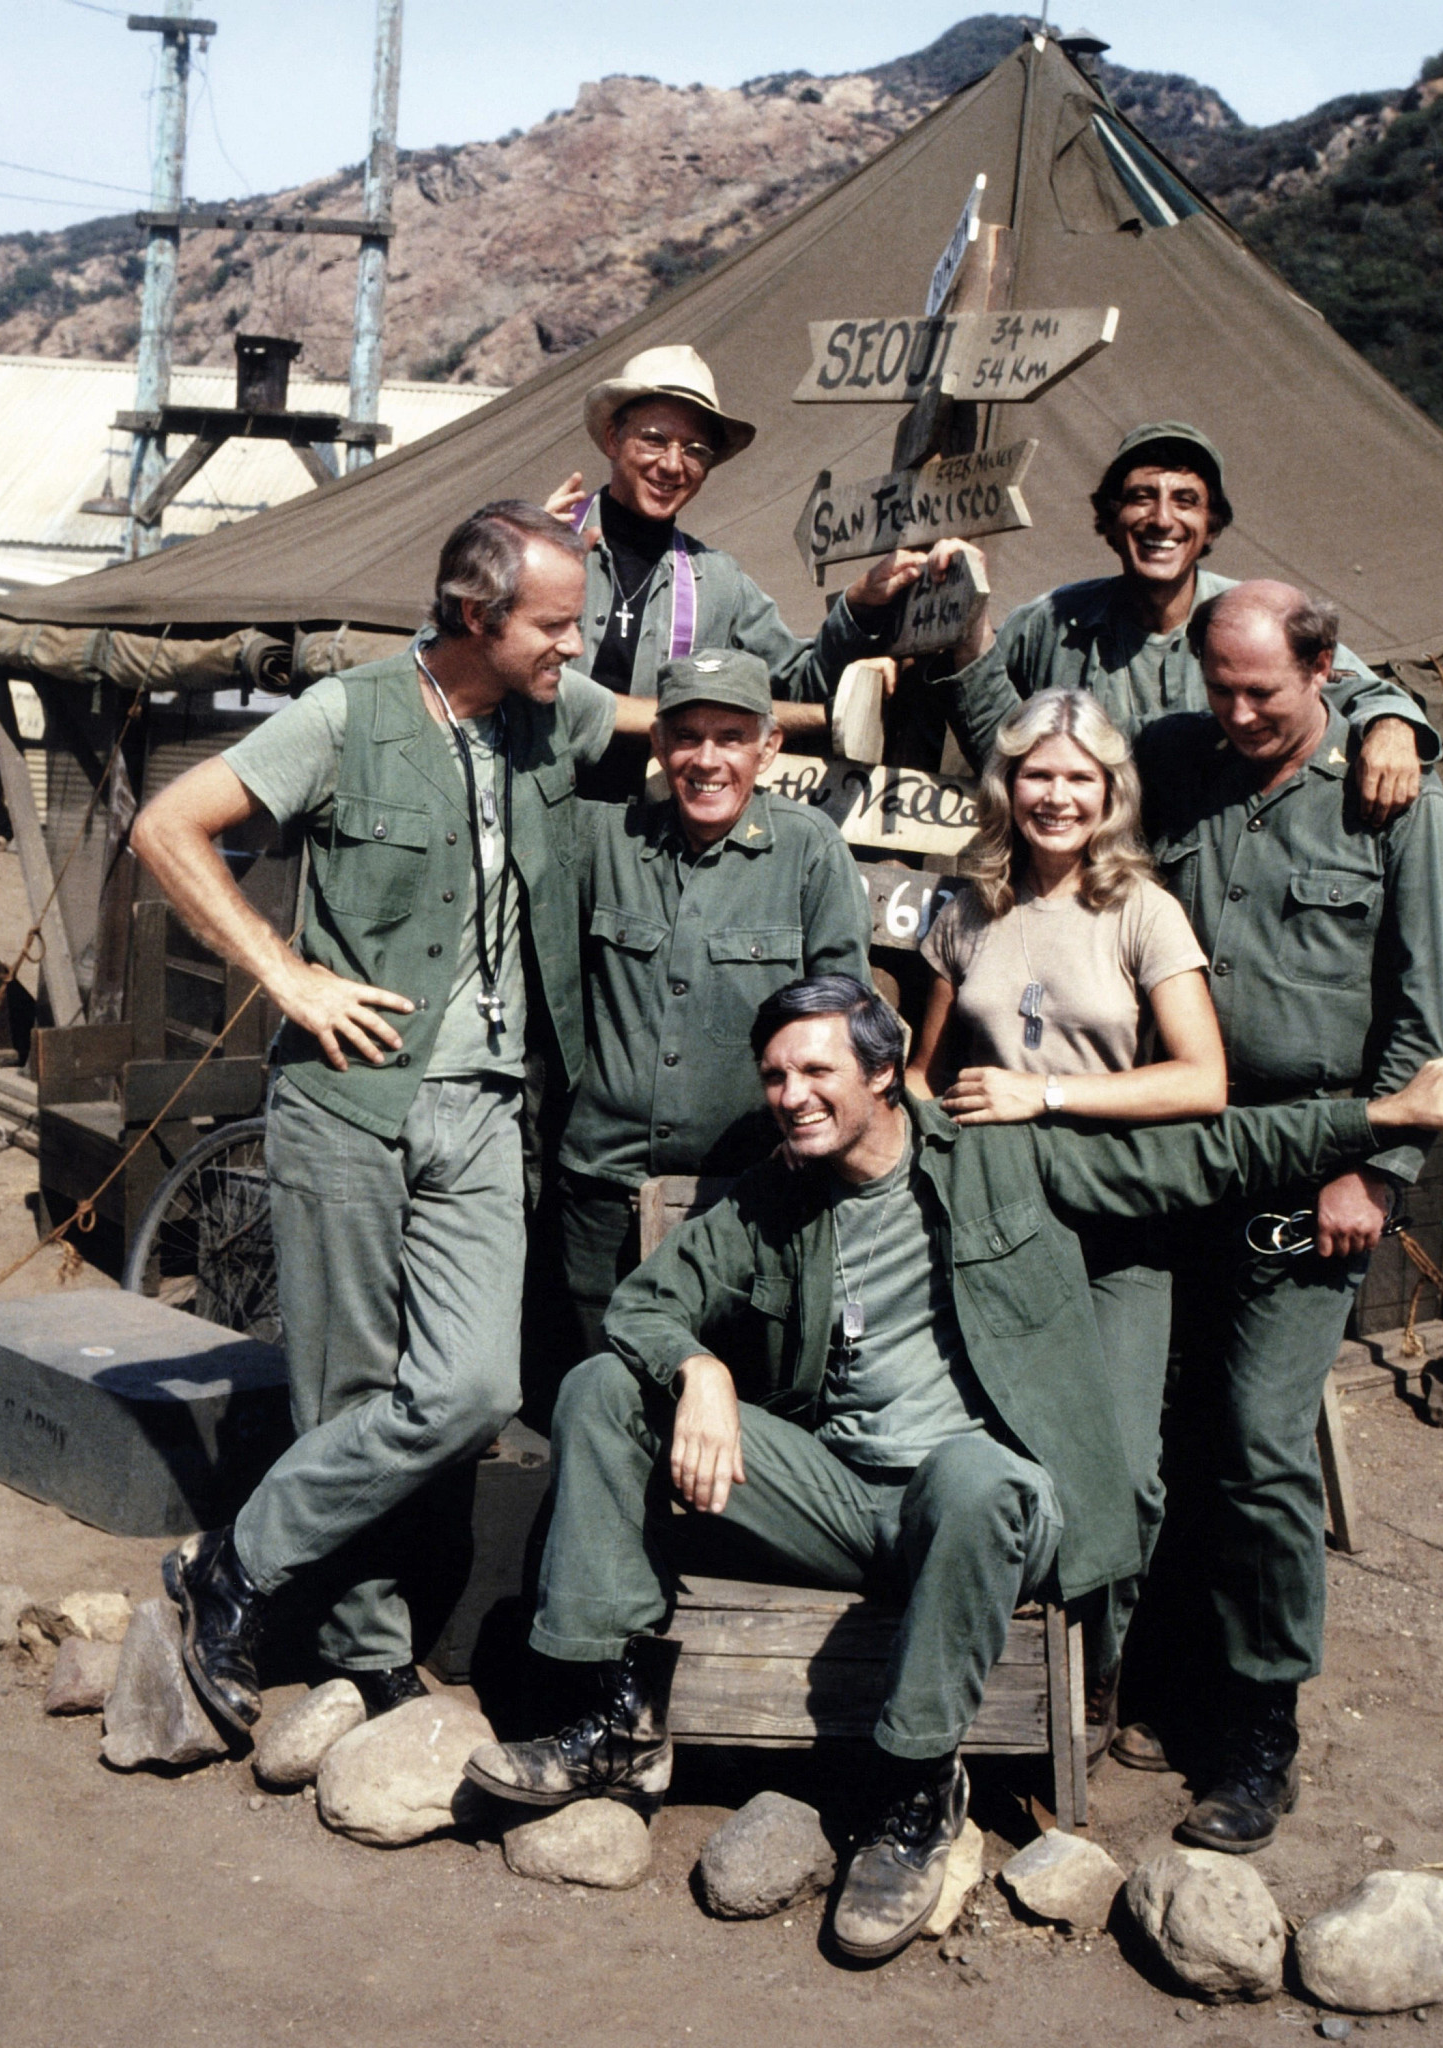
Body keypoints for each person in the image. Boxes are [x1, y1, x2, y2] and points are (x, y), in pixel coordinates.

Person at [463, 975, 1443, 1961]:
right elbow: (645, 1303)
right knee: (605, 1385)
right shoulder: (772, 1202)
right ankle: (612, 1713)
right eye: (775, 1075)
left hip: (989, 1505)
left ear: (884, 1071)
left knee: (971, 1474)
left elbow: (1212, 1149)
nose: (791, 1096)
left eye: (816, 1071)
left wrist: (1381, 1117)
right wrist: (699, 1368)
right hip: (836, 1492)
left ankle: (911, 1794)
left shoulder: (1006, 1159)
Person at [131, 501, 658, 1735]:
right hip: (346, 1103)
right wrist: (287, 972)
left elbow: (666, 727)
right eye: (554, 624)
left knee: (470, 1388)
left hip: (481, 1110)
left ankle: (237, 1564)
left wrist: (866, 680)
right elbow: (168, 826)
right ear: (476, 617)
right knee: (348, 1389)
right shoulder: (345, 715)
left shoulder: (550, 713)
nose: (574, 649)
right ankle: (367, 1650)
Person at [1119, 580, 1443, 1852]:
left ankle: (1261, 1726)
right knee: (1166, 1413)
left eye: (1264, 689)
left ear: (1326, 669)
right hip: (1181, 1162)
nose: (1239, 710)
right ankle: (1166, 1670)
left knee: (1263, 1432)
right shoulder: (1176, 758)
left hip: (1305, 1183)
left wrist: (1375, 1174)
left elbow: (1429, 1013)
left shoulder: (1390, 794)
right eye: (1219, 686)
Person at [907, 686, 1225, 1767]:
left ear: (1109, 793)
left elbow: (1201, 1078)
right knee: (1010, 1449)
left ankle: (1095, 1678)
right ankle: (1011, 1677)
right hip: (1001, 1218)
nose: (1055, 794)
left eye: (1078, 777)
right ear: (1007, 783)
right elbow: (922, 1069)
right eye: (1037, 773)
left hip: (1119, 1222)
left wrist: (1045, 1097)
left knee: (1124, 1464)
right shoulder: (968, 903)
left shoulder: (1142, 908)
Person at [549, 645, 870, 1375]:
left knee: (731, 1408)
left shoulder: (808, 850)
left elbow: (847, 1015)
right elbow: (538, 711)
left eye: (731, 737)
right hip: (603, 1191)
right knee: (603, 1394)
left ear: (769, 746)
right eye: (687, 736)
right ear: (657, 742)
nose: (708, 759)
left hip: (746, 1196)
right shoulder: (607, 841)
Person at [938, 421, 1434, 828]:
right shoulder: (1055, 620)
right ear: (1110, 520)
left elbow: (1349, 685)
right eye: (1141, 497)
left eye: (1185, 500)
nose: (1161, 519)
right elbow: (984, 707)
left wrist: (1393, 725)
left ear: (1211, 524)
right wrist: (903, 652)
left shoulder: (1248, 620)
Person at [545, 343, 947, 793]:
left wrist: (858, 607)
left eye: (695, 450)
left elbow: (801, 682)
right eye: (654, 440)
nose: (672, 465)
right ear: (613, 439)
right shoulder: (544, 543)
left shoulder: (719, 582)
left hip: (648, 837)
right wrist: (524, 567)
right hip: (530, 815)